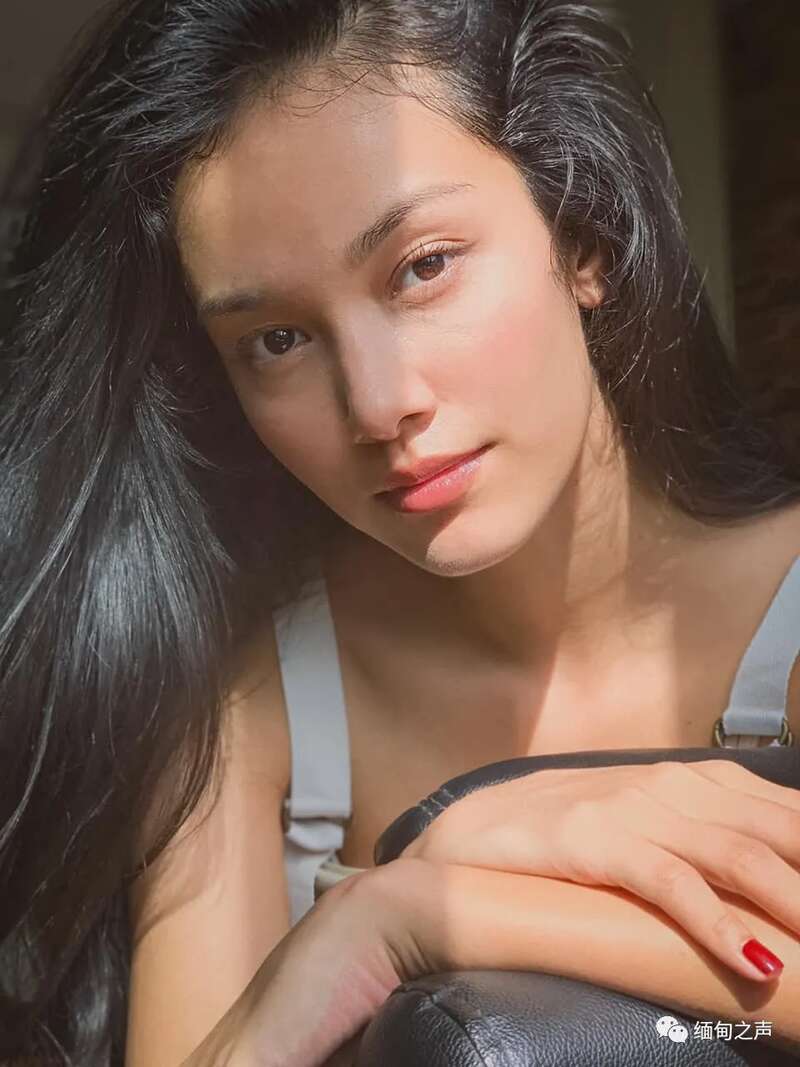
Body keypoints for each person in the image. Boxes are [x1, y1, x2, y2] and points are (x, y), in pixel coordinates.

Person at [1, 0, 799, 1064]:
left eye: (422, 266)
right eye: (277, 339)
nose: (378, 406)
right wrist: (375, 917)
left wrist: (436, 898)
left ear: (582, 236)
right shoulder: (254, 699)